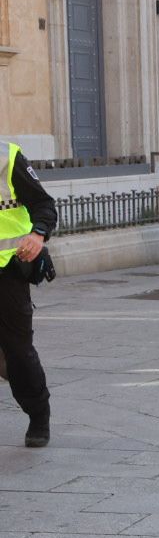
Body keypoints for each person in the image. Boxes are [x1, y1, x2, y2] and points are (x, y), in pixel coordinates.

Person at [0, 140, 57, 448]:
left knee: (17, 351)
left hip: (7, 270)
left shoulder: (6, 157)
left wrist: (37, 234)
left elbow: (44, 205)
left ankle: (38, 413)